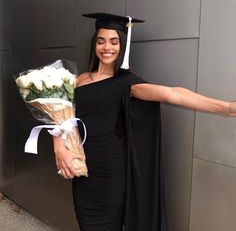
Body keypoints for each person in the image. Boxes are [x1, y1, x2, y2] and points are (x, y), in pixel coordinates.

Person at [52, 13, 236, 231]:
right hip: (82, 171)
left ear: (122, 45)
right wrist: (59, 149)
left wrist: (226, 108)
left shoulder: (127, 83)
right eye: (101, 41)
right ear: (95, 44)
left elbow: (172, 94)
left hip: (110, 172)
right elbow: (59, 118)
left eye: (114, 41)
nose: (107, 47)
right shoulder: (78, 79)